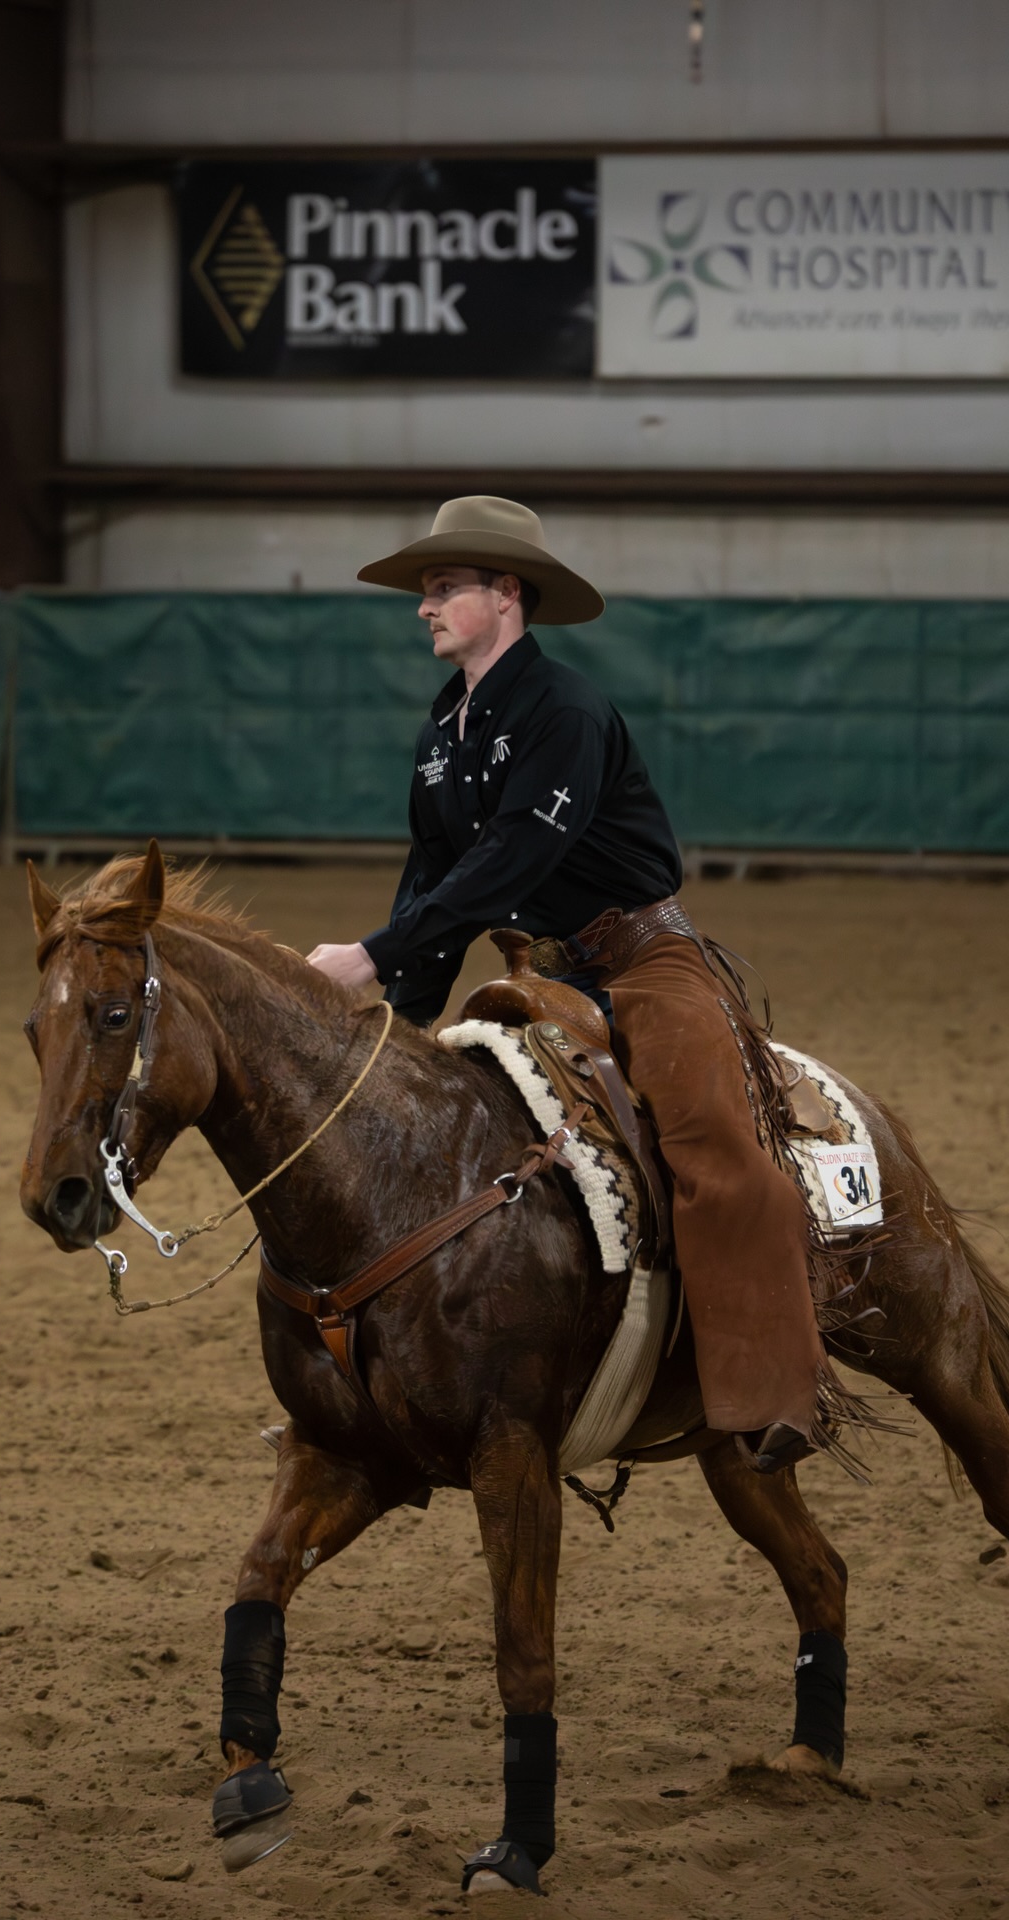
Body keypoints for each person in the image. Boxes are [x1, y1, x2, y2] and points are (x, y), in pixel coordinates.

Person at [307, 495, 831, 1469]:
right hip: (535, 967)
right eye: (425, 592)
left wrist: (369, 956)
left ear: (505, 596)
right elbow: (434, 877)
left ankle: (773, 1393)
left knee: (707, 1137)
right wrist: (395, 1020)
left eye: (442, 589)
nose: (424, 607)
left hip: (640, 957)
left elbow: (506, 860)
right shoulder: (443, 734)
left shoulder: (567, 711)